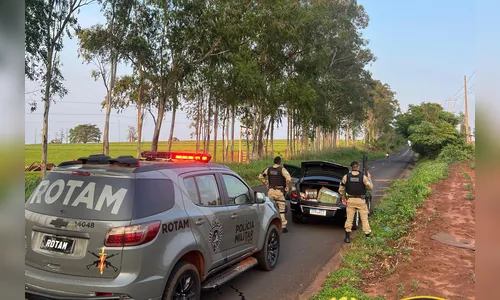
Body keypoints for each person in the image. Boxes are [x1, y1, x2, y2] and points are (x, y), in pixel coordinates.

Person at [338, 161, 374, 243]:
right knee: (364, 218)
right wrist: (369, 178)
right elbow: (371, 187)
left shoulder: (346, 177)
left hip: (350, 200)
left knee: (349, 218)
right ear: (358, 167)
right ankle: (367, 235)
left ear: (351, 167)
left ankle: (347, 238)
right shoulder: (363, 177)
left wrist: (344, 197)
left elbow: (341, 189)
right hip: (361, 200)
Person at [258, 156, 292, 233]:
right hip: (279, 192)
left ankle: (269, 226)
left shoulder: (268, 169)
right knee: (282, 209)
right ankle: (283, 227)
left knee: (270, 208)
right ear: (280, 162)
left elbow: (260, 176)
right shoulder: (282, 169)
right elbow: (289, 179)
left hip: (270, 191)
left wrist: (266, 183)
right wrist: (287, 187)